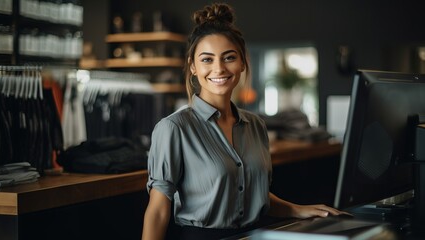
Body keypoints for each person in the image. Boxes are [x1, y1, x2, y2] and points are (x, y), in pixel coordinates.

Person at [142, 3, 346, 240]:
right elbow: (157, 211)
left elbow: (252, 194)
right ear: (193, 67)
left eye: (228, 57)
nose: (218, 68)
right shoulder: (174, 128)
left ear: (242, 63)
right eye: (207, 60)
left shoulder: (256, 125)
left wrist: (298, 209)